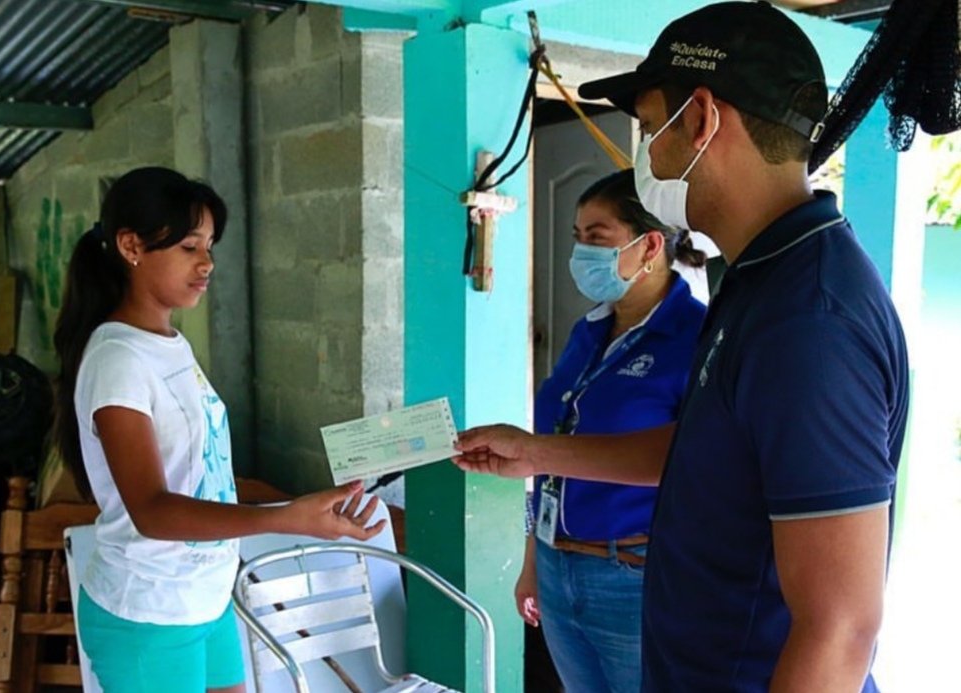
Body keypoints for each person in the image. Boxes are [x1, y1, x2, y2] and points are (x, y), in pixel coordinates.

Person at [455, 3, 909, 692]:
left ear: (699, 120)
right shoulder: (758, 279)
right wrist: (539, 452)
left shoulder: (809, 321)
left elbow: (841, 626)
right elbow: (712, 448)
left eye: (646, 128)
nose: (646, 155)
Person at [52, 167, 386, 693]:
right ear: (130, 246)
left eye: (209, 245)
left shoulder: (167, 343)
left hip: (204, 598)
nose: (207, 263)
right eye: (189, 246)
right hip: (149, 614)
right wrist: (287, 518)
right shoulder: (117, 360)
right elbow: (154, 511)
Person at [520, 169, 705, 693]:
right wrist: (535, 559)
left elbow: (689, 462)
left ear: (650, 246)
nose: (582, 254)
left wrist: (530, 451)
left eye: (597, 239)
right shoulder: (589, 330)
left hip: (636, 575)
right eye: (578, 239)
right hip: (560, 567)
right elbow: (554, 459)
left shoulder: (696, 336)